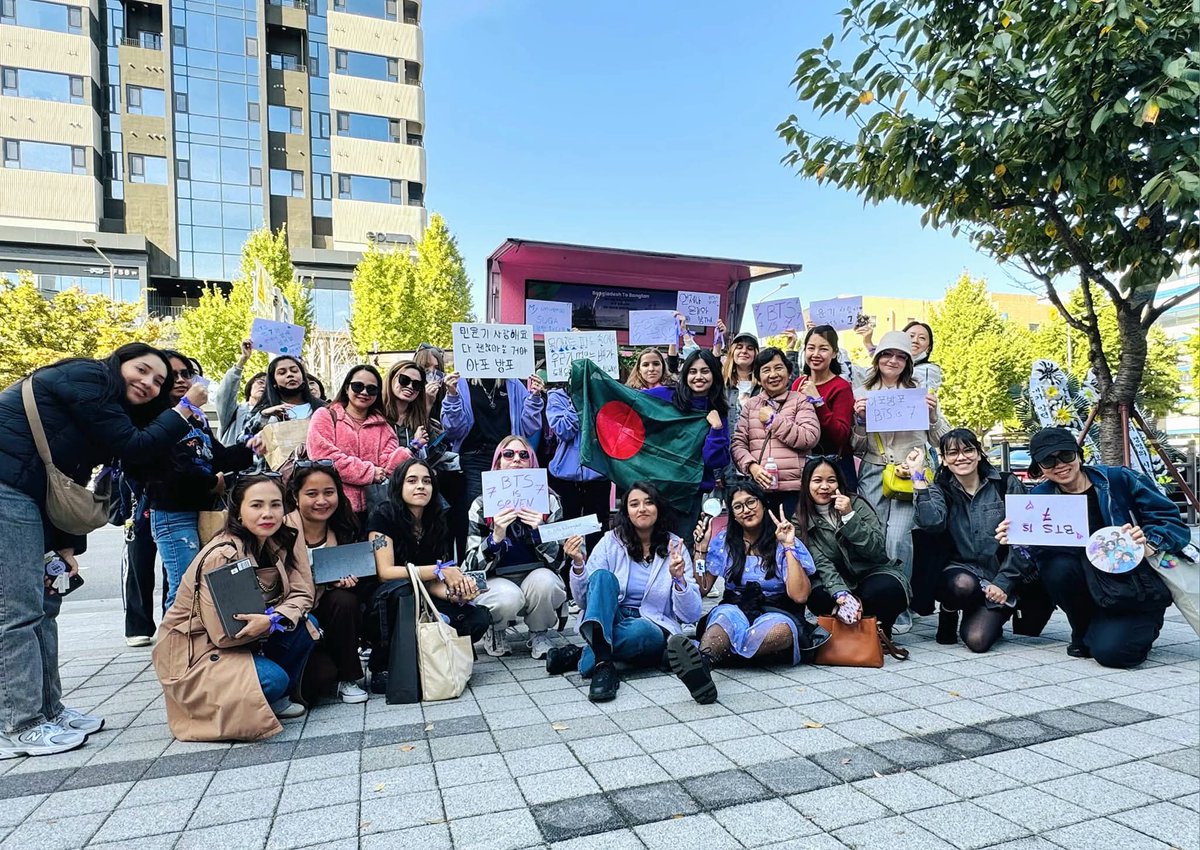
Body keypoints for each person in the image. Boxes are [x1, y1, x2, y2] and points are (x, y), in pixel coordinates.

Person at [0, 343, 201, 757]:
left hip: (32, 496)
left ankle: (48, 710)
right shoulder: (87, 377)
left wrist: (66, 546)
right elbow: (135, 446)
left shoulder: (109, 408)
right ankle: (19, 723)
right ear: (119, 362)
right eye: (142, 370)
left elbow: (69, 479)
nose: (148, 382)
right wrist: (184, 411)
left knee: (45, 608)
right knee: (16, 611)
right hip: (7, 489)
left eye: (159, 382)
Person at [998, 427, 1188, 668]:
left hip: (1133, 584)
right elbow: (1032, 553)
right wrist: (1015, 538)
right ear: (1039, 468)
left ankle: (1130, 625)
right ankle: (1084, 628)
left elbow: (1172, 522)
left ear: (1079, 455)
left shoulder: (1118, 479)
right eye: (1048, 460)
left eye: (1066, 455)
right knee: (1056, 566)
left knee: (1115, 656)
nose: (1059, 465)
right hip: (1088, 585)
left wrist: (1149, 541)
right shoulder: (1040, 497)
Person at [154, 474, 319, 740]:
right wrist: (272, 620)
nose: (268, 513)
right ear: (238, 512)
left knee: (307, 625)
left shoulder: (277, 541)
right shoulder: (223, 554)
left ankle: (264, 696)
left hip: (252, 637)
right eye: (256, 505)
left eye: (276, 505)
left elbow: (303, 594)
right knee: (275, 680)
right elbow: (226, 634)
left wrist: (274, 618)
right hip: (198, 654)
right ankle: (259, 696)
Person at [546, 482, 701, 702]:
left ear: (659, 508)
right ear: (626, 511)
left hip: (650, 623)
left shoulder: (675, 546)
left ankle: (588, 655)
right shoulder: (610, 541)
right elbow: (583, 602)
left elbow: (691, 615)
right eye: (634, 504)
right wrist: (579, 565)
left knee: (641, 631)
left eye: (649, 502)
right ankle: (604, 666)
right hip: (609, 617)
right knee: (601, 577)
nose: (642, 509)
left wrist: (679, 579)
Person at [675, 482, 818, 703]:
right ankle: (702, 666)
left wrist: (788, 546)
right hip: (736, 607)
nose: (746, 510)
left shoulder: (783, 538)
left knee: (779, 631)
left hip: (777, 610)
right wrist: (700, 550)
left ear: (763, 503)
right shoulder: (724, 540)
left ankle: (718, 654)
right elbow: (703, 587)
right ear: (732, 514)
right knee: (722, 620)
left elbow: (800, 596)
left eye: (751, 502)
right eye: (738, 506)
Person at [140, 351, 256, 608]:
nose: (181, 379)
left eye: (187, 374)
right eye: (172, 375)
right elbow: (166, 471)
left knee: (206, 585)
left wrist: (252, 446)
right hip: (173, 513)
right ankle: (174, 647)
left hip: (205, 510)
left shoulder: (198, 418)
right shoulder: (152, 419)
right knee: (185, 589)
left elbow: (218, 457)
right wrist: (210, 483)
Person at [366, 458, 490, 691]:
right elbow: (385, 573)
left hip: (425, 592)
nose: (420, 486)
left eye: (426, 481)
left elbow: (432, 582)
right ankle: (382, 664)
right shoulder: (383, 515)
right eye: (412, 481)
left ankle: (434, 656)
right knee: (402, 592)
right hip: (388, 597)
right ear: (398, 486)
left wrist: (456, 594)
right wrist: (440, 570)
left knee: (477, 617)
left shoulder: (438, 518)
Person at [911, 429, 1038, 652]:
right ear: (944, 460)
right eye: (952, 453)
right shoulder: (940, 488)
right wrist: (918, 477)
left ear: (979, 453)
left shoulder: (1006, 484)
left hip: (1000, 572)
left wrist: (1003, 582)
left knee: (977, 641)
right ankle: (949, 611)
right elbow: (931, 522)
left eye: (968, 450)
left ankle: (989, 611)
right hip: (961, 569)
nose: (961, 457)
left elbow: (1025, 541)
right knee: (961, 584)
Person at [852, 330, 949, 593]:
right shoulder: (862, 392)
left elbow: (941, 440)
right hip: (873, 470)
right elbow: (856, 447)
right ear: (878, 358)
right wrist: (860, 422)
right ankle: (876, 598)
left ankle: (899, 601)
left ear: (908, 361)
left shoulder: (919, 392)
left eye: (900, 356)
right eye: (887, 354)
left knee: (898, 538)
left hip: (913, 471)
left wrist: (933, 414)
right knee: (875, 537)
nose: (893, 360)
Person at [462, 436, 568, 659]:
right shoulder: (481, 505)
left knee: (546, 582)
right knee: (508, 597)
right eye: (508, 454)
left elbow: (560, 561)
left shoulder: (549, 501)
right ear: (498, 462)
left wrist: (540, 531)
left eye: (523, 455)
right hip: (496, 580)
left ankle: (539, 632)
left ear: (532, 462)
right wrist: (495, 538)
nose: (516, 459)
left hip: (535, 574)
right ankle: (495, 628)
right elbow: (471, 565)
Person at [285, 461, 370, 704]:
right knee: (317, 682)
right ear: (295, 495)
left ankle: (348, 676)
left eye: (329, 492)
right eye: (311, 494)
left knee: (345, 600)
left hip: (326, 608)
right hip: (294, 614)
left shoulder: (344, 527)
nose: (321, 501)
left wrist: (344, 582)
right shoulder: (281, 530)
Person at [798, 456, 910, 637]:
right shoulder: (800, 519)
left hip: (869, 572)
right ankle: (845, 632)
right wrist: (840, 593)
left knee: (889, 588)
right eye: (817, 481)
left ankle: (880, 629)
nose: (825, 486)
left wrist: (850, 517)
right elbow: (820, 562)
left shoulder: (857, 504)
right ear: (806, 484)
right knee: (817, 596)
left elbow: (877, 550)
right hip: (834, 578)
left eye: (831, 480)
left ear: (839, 483)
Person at [306, 365, 410, 524]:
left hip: (374, 510)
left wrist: (402, 455)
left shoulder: (384, 427)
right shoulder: (325, 415)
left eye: (371, 389)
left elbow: (386, 469)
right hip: (332, 508)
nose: (364, 392)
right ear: (347, 387)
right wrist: (369, 472)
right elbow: (324, 458)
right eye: (358, 386)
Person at [381, 360, 464, 555]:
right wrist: (413, 446)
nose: (410, 387)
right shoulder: (377, 417)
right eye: (404, 380)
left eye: (417, 385)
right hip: (386, 494)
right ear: (391, 379)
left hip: (419, 494)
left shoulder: (419, 418)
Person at [644, 349, 730, 535]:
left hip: (690, 495)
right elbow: (631, 402)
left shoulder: (718, 411)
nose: (698, 377)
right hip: (658, 487)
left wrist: (716, 430)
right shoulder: (665, 396)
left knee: (682, 547)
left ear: (714, 374)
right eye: (693, 371)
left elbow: (715, 461)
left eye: (705, 371)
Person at [730, 346, 821, 518]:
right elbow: (738, 443)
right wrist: (752, 467)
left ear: (788, 371)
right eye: (766, 370)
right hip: (759, 490)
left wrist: (775, 420)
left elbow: (809, 438)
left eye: (778, 368)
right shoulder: (751, 405)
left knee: (792, 539)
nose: (773, 375)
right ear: (758, 377)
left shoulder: (800, 401)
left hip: (794, 490)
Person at [440, 371, 543, 513]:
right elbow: (453, 431)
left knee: (511, 510)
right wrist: (452, 396)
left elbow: (530, 427)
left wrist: (535, 398)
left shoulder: (513, 384)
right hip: (474, 458)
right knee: (478, 511)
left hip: (508, 458)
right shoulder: (462, 384)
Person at [545, 386, 610, 550]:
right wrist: (576, 402)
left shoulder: (603, 392)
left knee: (598, 530)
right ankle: (567, 571)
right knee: (566, 531)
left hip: (598, 475)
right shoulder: (556, 396)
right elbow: (562, 431)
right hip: (565, 478)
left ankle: (597, 572)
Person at [794, 325, 857, 488]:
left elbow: (841, 435)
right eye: (811, 348)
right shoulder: (798, 383)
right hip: (805, 466)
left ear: (834, 353)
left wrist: (818, 402)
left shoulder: (841, 387)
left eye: (823, 349)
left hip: (835, 468)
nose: (815, 354)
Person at [247, 355, 326, 433]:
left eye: (294, 371)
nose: (290, 375)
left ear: (303, 378)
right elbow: (242, 439)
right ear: (274, 382)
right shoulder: (264, 410)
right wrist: (264, 416)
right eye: (282, 373)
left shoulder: (324, 408)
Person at [214, 339, 266, 446]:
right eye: (260, 382)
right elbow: (225, 393)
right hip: (231, 462)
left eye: (268, 385)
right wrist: (242, 360)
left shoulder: (273, 415)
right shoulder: (234, 412)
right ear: (250, 386)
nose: (264, 386)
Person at [903, 321, 943, 391]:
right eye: (911, 336)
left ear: (928, 348)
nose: (915, 340)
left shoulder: (928, 370)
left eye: (922, 338)